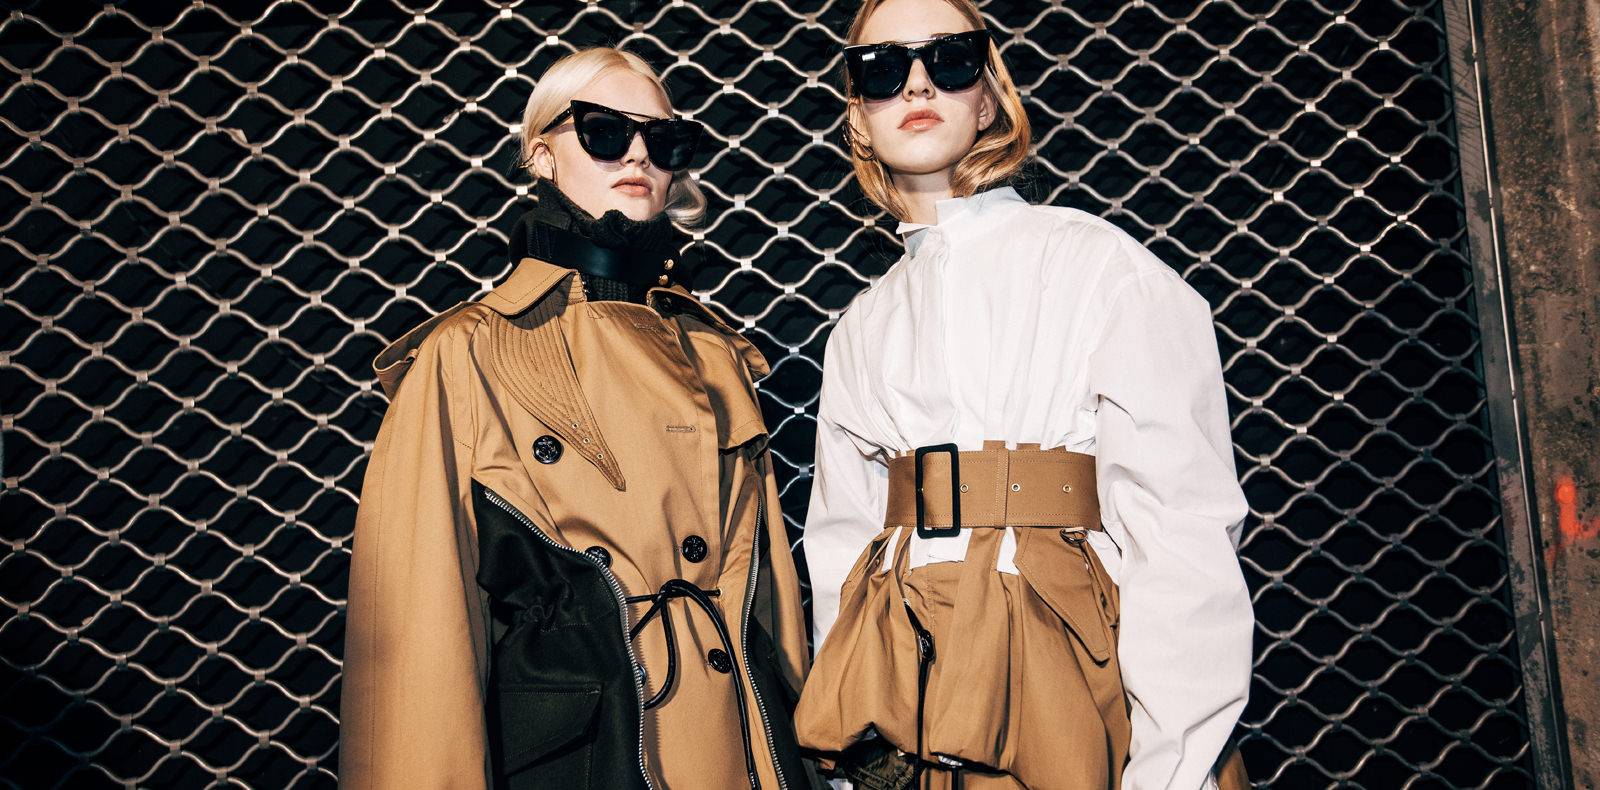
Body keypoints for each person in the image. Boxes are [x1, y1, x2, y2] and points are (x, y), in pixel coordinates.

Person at [794, 1, 1255, 788]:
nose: (916, 85)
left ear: (988, 99)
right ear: (859, 119)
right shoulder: (861, 328)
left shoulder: (1098, 266)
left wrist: (1172, 766)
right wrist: (846, 736)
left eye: (949, 60)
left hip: (1064, 671)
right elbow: (842, 550)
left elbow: (1180, 529)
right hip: (906, 691)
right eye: (882, 69)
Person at [338, 46, 817, 789]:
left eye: (663, 141)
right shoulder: (468, 352)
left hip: (735, 743)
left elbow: (771, 606)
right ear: (541, 153)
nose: (638, 155)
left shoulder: (714, 355)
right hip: (590, 753)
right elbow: (415, 638)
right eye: (604, 131)